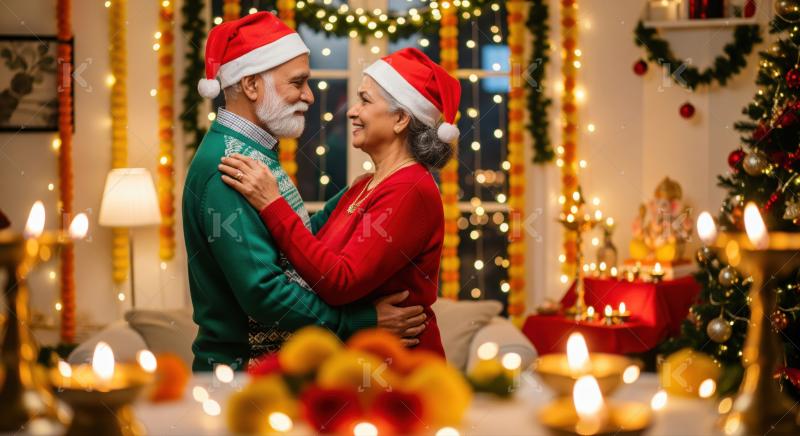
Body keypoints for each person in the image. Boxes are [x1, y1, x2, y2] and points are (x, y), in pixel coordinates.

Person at [183, 12, 425, 372]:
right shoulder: (231, 165)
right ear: (251, 85)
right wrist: (360, 321)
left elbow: (290, 241)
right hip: (239, 378)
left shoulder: (254, 151)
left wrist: (359, 190)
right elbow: (264, 293)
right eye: (298, 83)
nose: (309, 96)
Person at [218, 48, 460, 355]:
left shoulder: (411, 190)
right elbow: (309, 243)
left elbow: (339, 281)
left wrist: (271, 202)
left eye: (365, 100)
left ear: (400, 119)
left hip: (400, 369)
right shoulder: (365, 185)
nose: (351, 111)